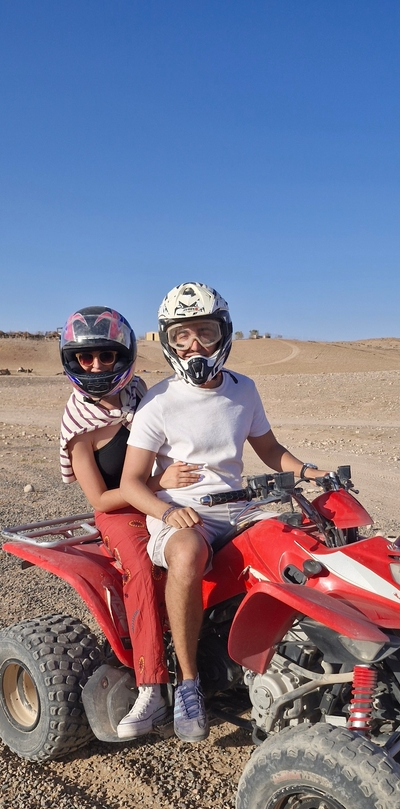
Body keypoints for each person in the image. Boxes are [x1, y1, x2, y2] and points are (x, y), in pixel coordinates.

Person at [120, 282, 330, 744]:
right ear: (168, 341)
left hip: (238, 510)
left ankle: (296, 660)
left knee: (296, 542)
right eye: (182, 337)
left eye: (205, 332)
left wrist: (307, 471)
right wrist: (165, 511)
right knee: (189, 554)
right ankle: (189, 682)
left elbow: (270, 449)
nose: (195, 346)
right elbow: (131, 483)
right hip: (183, 514)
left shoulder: (244, 390)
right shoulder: (158, 401)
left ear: (224, 334)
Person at [59, 305, 200, 741]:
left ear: (125, 355)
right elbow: (100, 497)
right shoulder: (77, 426)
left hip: (160, 497)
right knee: (140, 568)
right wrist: (156, 483)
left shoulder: (139, 392)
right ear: (72, 361)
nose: (98, 366)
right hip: (119, 512)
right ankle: (151, 687)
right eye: (86, 358)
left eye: (106, 355)